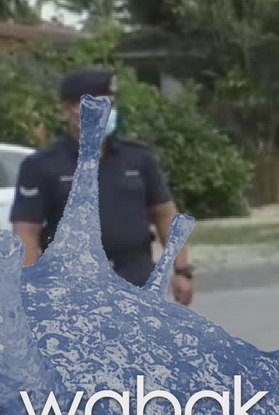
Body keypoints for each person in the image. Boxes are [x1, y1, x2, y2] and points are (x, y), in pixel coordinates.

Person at [9, 69, 195, 305]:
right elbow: (27, 231)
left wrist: (181, 270)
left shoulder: (138, 158)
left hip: (136, 281)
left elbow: (165, 214)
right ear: (66, 110)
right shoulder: (41, 166)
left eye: (108, 103)